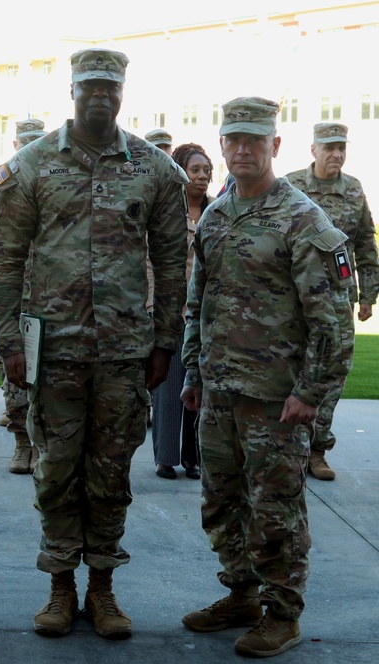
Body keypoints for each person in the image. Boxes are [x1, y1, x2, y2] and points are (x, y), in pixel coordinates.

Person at [0, 48, 188, 640]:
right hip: (55, 350)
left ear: (123, 93)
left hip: (125, 351)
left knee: (110, 473)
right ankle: (59, 584)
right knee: (54, 470)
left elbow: (173, 262)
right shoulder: (30, 165)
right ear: (72, 91)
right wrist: (10, 342)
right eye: (89, 87)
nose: (99, 96)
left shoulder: (156, 170)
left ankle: (102, 586)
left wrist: (165, 341)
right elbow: (5, 261)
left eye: (110, 87)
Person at [180, 97, 353, 658]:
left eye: (256, 139)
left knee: (274, 507)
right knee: (221, 500)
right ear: (223, 143)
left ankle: (283, 614)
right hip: (220, 392)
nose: (244, 148)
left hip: (277, 401)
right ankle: (241, 594)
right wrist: (193, 373)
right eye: (234, 139)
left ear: (276, 146)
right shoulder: (216, 214)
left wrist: (312, 393)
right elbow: (196, 302)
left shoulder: (303, 219)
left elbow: (332, 319)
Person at [284, 123, 378, 481]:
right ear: (313, 150)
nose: (336, 154)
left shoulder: (353, 189)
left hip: (338, 301)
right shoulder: (292, 185)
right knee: (293, 372)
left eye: (341, 148)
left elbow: (366, 245)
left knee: (332, 375)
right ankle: (292, 447)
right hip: (295, 300)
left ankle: (318, 450)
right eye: (329, 148)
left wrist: (368, 294)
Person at [0, 118, 45, 474]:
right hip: (12, 292)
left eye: (37, 142)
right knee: (15, 370)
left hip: (52, 297)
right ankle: (21, 443)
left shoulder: (58, 179)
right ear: (16, 144)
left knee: (49, 375)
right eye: (26, 142)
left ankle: (43, 444)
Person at [152, 143, 213, 480]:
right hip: (170, 314)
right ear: (180, 171)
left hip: (205, 318)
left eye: (207, 170)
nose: (202, 176)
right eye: (195, 170)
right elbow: (151, 263)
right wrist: (153, 306)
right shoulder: (165, 212)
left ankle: (193, 458)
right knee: (169, 386)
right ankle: (165, 457)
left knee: (199, 387)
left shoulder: (219, 212)